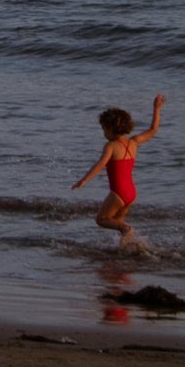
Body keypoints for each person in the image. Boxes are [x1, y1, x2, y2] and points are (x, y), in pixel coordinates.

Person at [72, 94, 165, 254]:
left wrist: (84, 180)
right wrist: (156, 108)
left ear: (109, 129)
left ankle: (127, 231)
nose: (103, 133)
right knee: (118, 222)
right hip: (131, 192)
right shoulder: (134, 142)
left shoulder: (111, 146)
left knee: (102, 219)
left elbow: (101, 164)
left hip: (118, 192)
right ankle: (125, 250)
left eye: (103, 129)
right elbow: (153, 130)